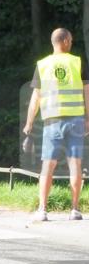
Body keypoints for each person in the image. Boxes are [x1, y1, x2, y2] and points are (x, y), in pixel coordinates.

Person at [23, 28, 88, 222]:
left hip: (51, 122)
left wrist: (29, 122)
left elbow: (36, 96)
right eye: (71, 40)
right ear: (66, 41)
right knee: (75, 164)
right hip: (76, 120)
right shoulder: (77, 62)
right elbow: (87, 92)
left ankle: (42, 210)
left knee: (47, 166)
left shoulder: (42, 65)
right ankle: (74, 210)